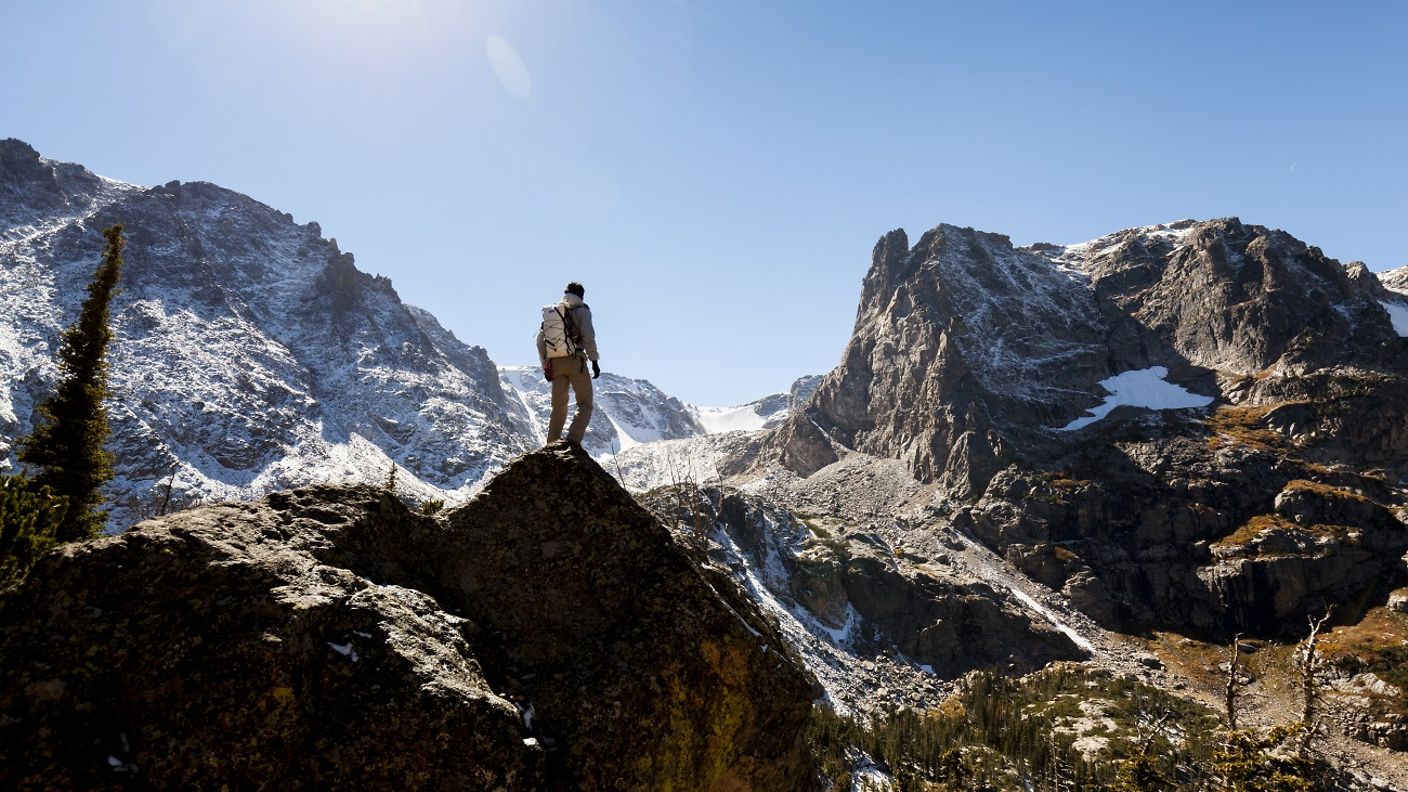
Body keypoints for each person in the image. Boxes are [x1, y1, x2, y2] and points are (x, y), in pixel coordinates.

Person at [537, 281, 600, 445]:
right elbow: (588, 336)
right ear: (581, 296)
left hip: (555, 363)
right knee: (585, 403)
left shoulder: (555, 312)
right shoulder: (583, 312)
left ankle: (551, 444)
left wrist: (546, 365)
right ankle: (572, 441)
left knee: (558, 406)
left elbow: (539, 341)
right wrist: (594, 360)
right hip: (575, 361)